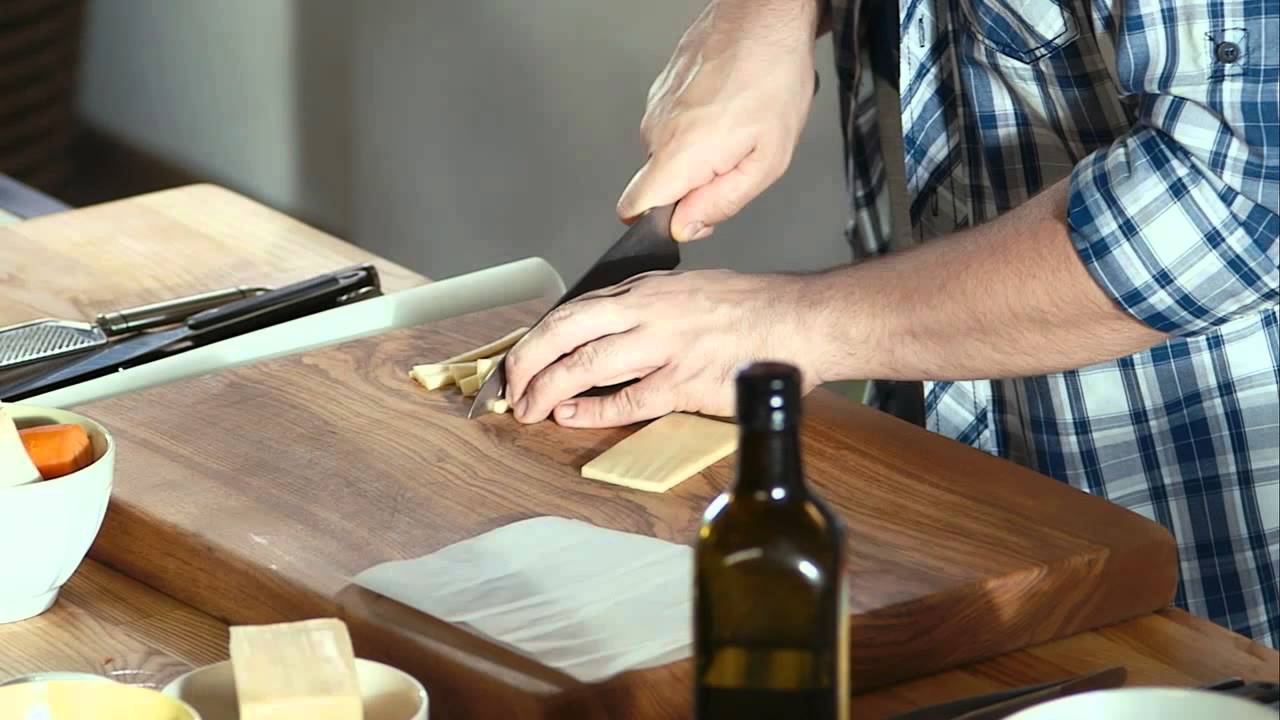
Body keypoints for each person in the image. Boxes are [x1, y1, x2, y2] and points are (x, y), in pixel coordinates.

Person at [503, 0, 1279, 647]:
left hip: (1209, 569)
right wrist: (762, 15)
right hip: (953, 535)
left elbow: (1232, 199)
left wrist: (788, 324)